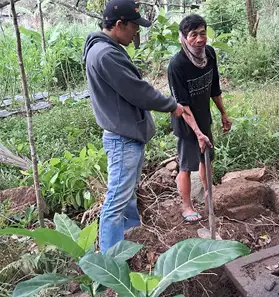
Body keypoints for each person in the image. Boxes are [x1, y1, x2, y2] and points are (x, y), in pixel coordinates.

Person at [82, 0, 184, 253]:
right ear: (119, 25)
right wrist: (172, 105)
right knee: (117, 200)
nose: (137, 32)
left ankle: (132, 240)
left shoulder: (106, 49)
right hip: (123, 139)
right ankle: (111, 261)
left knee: (127, 194)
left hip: (125, 135)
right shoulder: (106, 54)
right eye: (134, 27)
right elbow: (138, 91)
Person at [168, 14, 232, 222]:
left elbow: (215, 88)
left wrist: (223, 113)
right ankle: (187, 206)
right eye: (193, 35)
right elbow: (182, 105)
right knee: (186, 165)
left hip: (204, 117)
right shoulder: (177, 65)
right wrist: (196, 132)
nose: (199, 40)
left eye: (202, 33)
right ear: (183, 38)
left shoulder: (210, 55)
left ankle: (208, 195)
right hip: (186, 124)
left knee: (207, 159)